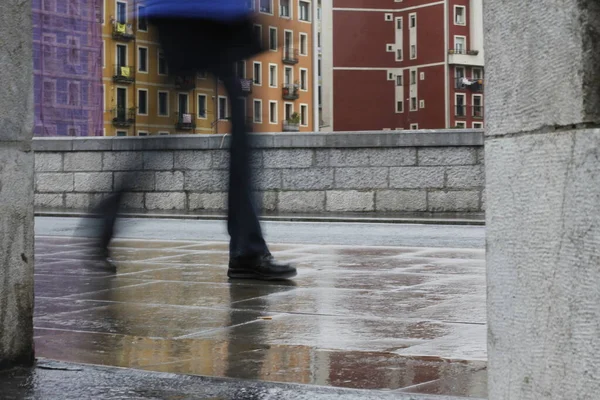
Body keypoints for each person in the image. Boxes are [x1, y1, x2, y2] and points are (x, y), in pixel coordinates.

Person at [92, 0, 296, 281]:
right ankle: (246, 251)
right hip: (198, 14)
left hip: (193, 13)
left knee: (179, 133)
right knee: (234, 133)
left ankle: (102, 225)